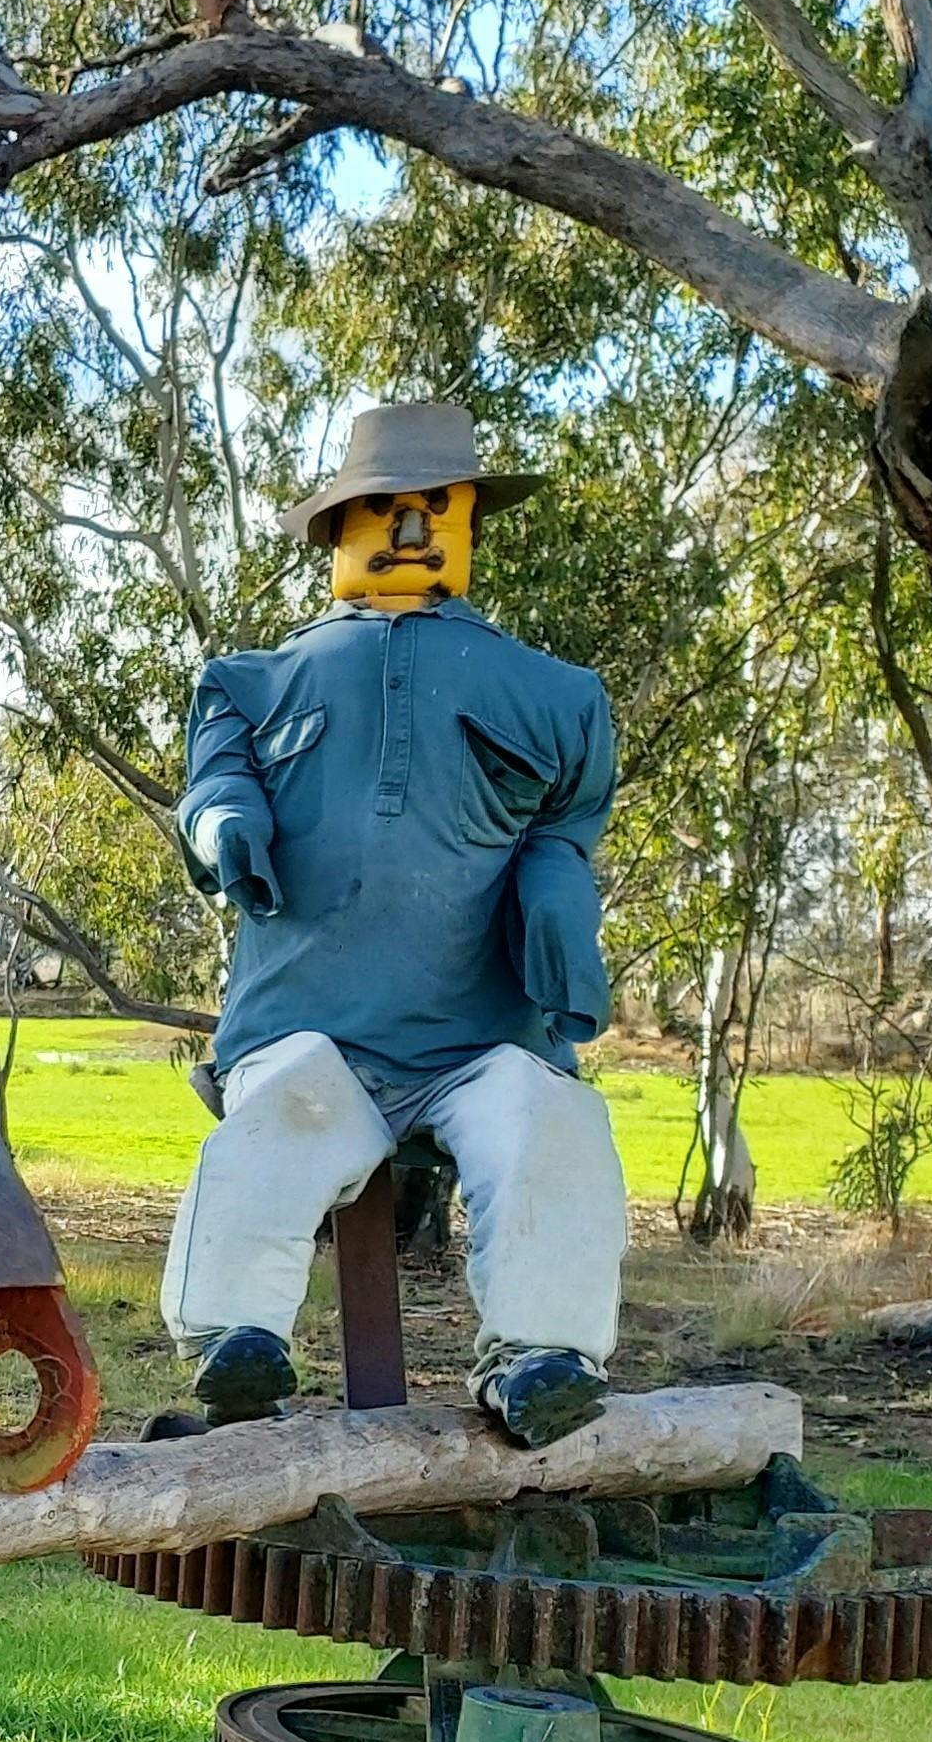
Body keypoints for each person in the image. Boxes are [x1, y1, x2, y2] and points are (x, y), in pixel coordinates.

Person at [163, 400, 624, 1448]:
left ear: (465, 521)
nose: (409, 529)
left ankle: (541, 1355)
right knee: (279, 1119)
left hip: (485, 1038)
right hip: (306, 1028)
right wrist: (221, 818)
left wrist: (561, 900)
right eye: (383, 508)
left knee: (548, 1125)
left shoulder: (559, 699)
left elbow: (566, 826)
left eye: (431, 508)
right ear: (338, 528)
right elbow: (212, 783)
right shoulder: (247, 684)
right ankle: (233, 1339)